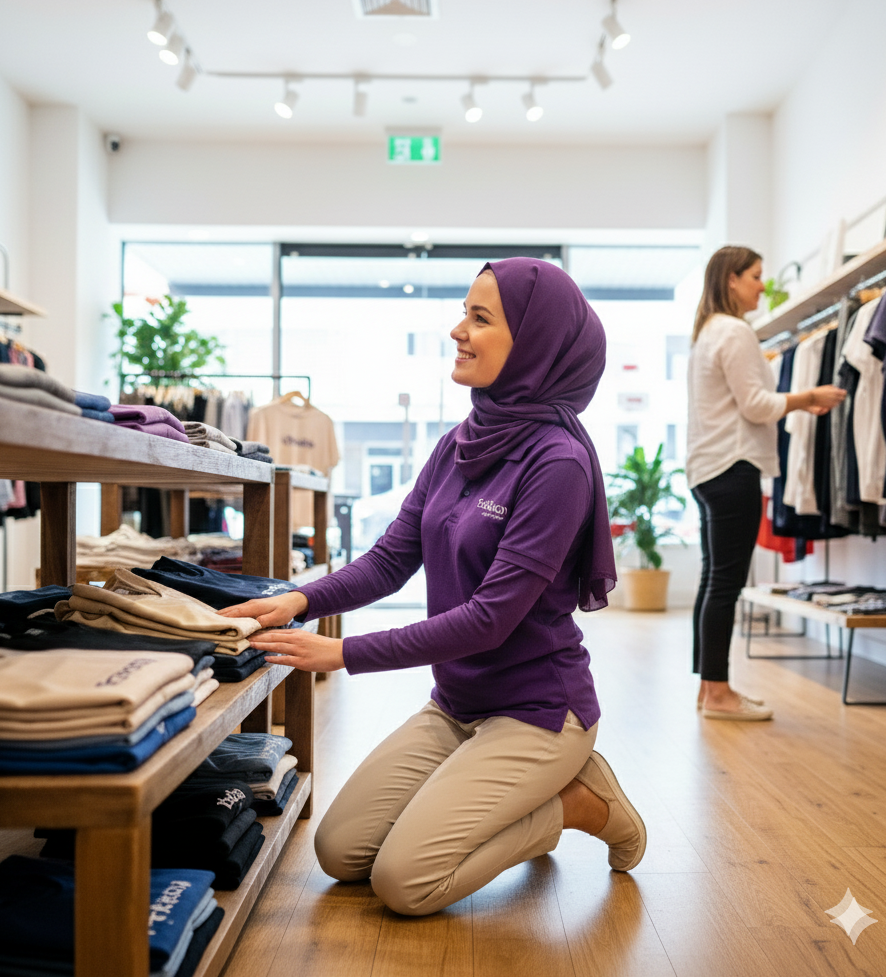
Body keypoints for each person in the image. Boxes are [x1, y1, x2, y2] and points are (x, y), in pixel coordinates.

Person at [219, 258, 645, 917]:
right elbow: (392, 559)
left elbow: (489, 621)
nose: (457, 331)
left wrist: (343, 653)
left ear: (533, 342)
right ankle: (518, 794)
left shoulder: (558, 464)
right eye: (463, 314)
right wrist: (301, 599)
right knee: (340, 852)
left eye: (480, 318)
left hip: (537, 711)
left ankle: (573, 803)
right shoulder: (458, 445)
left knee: (405, 882)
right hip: (457, 705)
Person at [687, 246, 846, 721]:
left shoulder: (707, 334)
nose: (761, 284)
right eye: (755, 276)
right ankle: (718, 694)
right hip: (732, 466)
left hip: (708, 468)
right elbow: (756, 405)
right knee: (726, 583)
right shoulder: (734, 331)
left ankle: (709, 688)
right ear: (731, 280)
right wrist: (809, 396)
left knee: (712, 578)